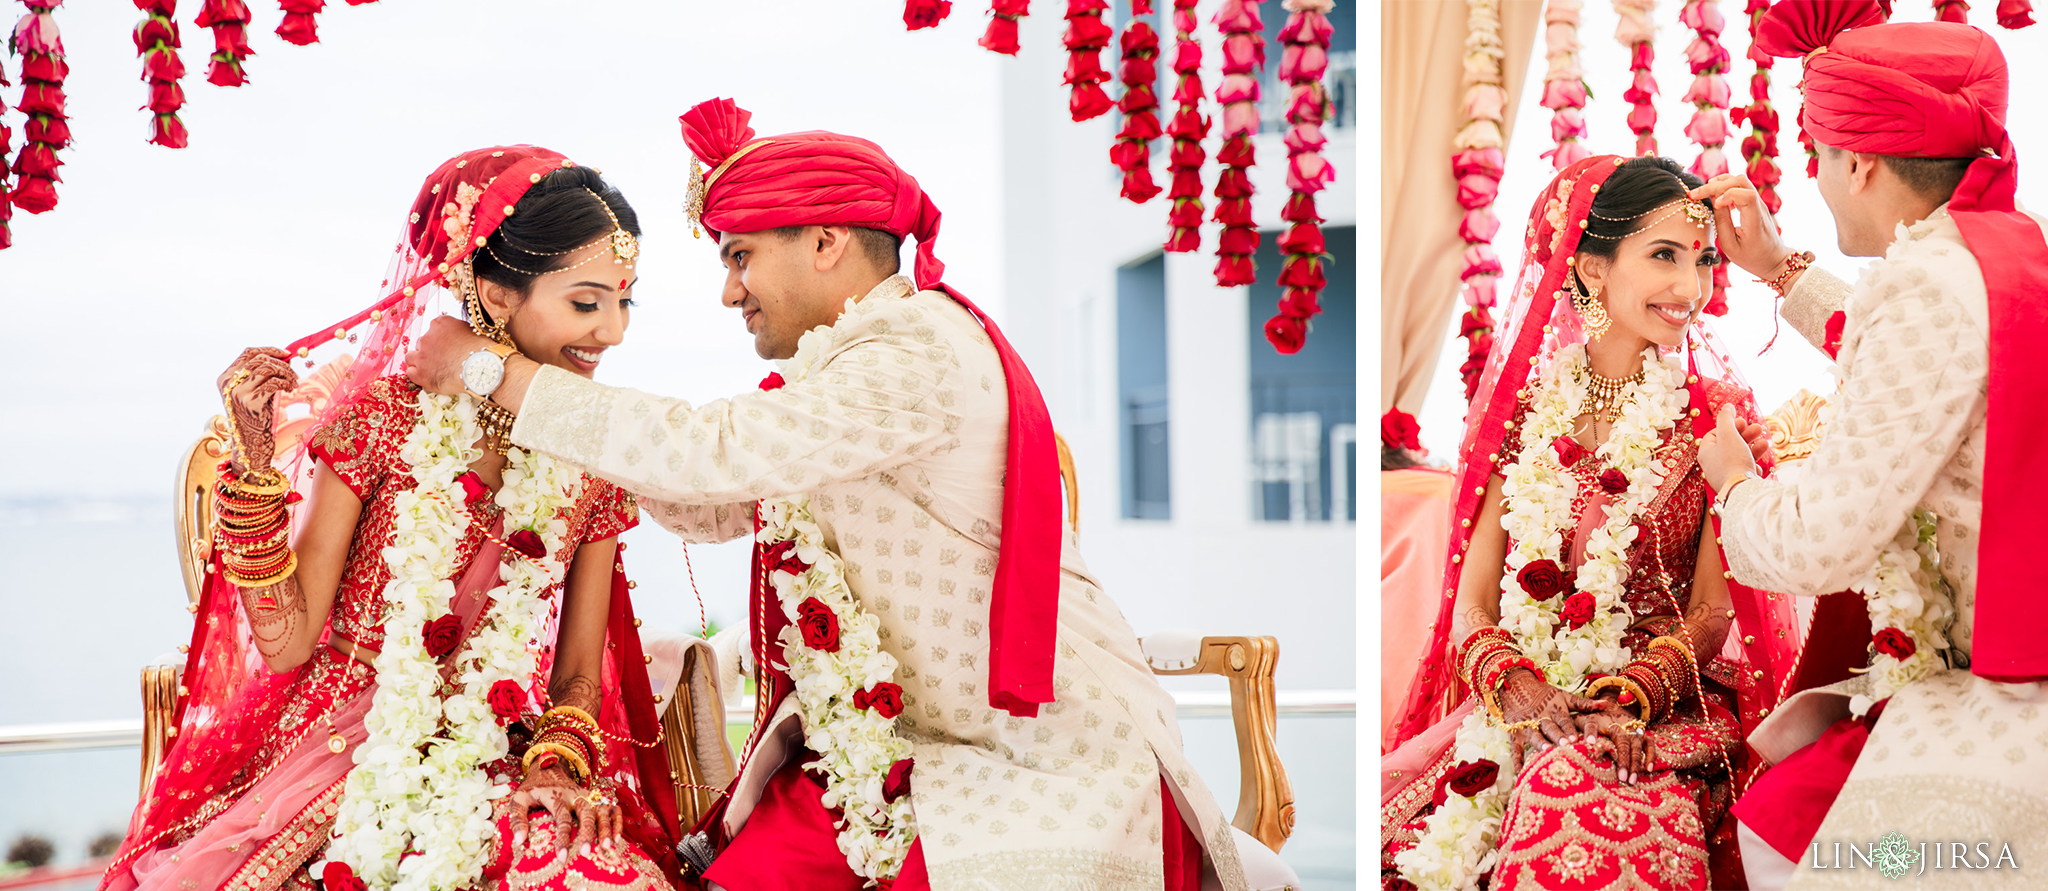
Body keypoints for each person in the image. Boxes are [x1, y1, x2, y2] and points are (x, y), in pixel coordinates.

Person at [403, 99, 1262, 891]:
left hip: (1034, 751)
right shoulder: (839, 377)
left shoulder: (914, 353)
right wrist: (555, 421)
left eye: (741, 257)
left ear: (824, 243)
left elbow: (715, 453)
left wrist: (489, 368)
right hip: (896, 757)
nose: (730, 291)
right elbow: (710, 503)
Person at [103, 146, 690, 891]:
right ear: (496, 294)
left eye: (624, 301)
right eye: (586, 302)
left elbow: (575, 674)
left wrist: (555, 764)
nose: (612, 331)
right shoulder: (382, 421)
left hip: (495, 753)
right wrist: (253, 476)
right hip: (339, 753)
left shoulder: (586, 452)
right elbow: (286, 646)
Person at [1691, 2, 2048, 885]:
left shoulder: (1927, 287)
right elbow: (1932, 368)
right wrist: (1781, 269)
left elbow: (1825, 538)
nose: (1810, 174)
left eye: (1814, 154)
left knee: (1799, 845)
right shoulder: (2003, 249)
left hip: (2007, 689)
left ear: (1857, 163)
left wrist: (1735, 485)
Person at [1380, 155, 1799, 891]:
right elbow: (1473, 604)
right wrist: (1523, 693)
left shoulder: (1716, 417)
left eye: (1701, 260)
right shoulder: (1521, 415)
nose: (1691, 287)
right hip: (1523, 702)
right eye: (1664, 256)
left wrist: (1625, 695)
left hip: (1658, 709)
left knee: (1573, 789)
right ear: (1590, 267)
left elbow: (1710, 609)